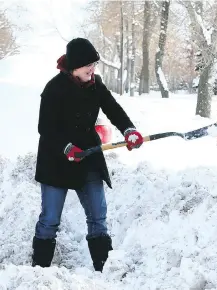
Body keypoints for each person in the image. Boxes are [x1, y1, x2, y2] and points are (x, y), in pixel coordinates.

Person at [32, 38, 144, 272]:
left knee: (98, 216)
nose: (92, 70)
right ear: (74, 67)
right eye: (87, 66)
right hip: (56, 159)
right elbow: (46, 128)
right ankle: (38, 274)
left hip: (88, 157)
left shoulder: (96, 85)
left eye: (94, 65)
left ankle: (104, 270)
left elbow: (113, 108)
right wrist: (66, 147)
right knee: (50, 220)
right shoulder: (54, 89)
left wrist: (129, 129)